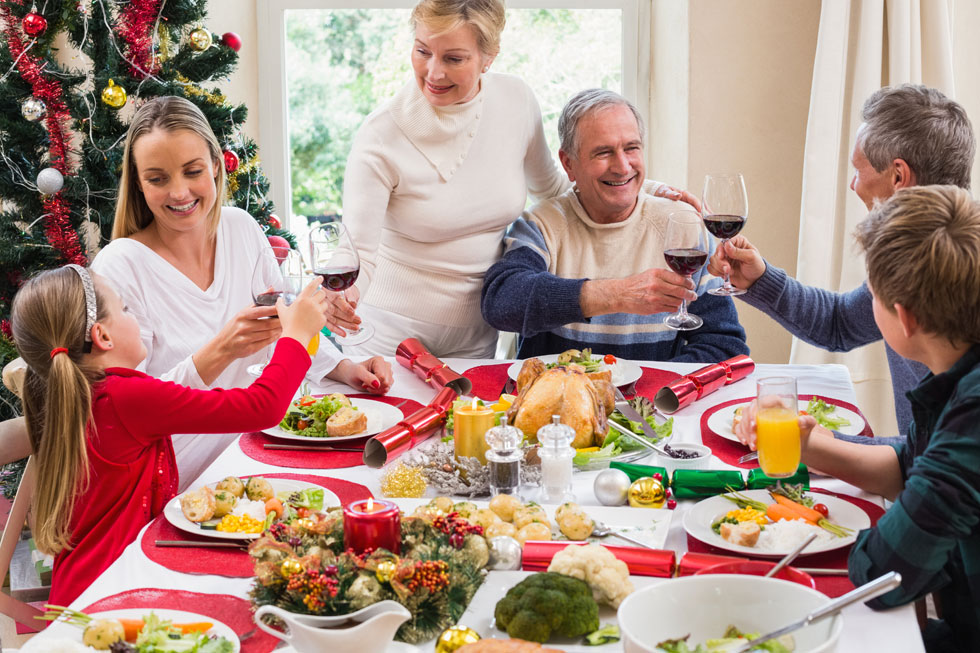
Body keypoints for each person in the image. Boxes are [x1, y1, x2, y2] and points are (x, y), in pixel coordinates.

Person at [334, 0, 690, 359]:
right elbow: (357, 252)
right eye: (422, 51)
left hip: (476, 334)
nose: (433, 72)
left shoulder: (515, 101)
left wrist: (643, 190)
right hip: (386, 333)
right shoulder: (381, 135)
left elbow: (555, 188)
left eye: (454, 59)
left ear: (488, 56)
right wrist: (339, 296)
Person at [91, 96, 393, 486]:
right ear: (138, 183)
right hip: (177, 475)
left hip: (258, 445)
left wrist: (344, 368)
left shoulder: (240, 228)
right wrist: (220, 351)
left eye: (192, 171)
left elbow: (286, 327)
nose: (179, 192)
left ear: (216, 165)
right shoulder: (121, 265)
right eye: (158, 178)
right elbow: (125, 409)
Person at [737, 186, 980, 652]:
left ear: (903, 319)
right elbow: (914, 467)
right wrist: (814, 445)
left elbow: (884, 573)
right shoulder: (956, 376)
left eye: (870, 293)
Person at [10, 264, 329, 605]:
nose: (134, 317)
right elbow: (261, 407)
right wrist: (295, 337)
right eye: (125, 309)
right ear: (103, 336)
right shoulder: (125, 398)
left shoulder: (77, 395)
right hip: (113, 593)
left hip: (82, 586)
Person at [709, 84, 975, 435]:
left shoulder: (947, 269)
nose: (854, 185)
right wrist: (761, 280)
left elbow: (929, 464)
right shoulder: (922, 254)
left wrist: (805, 439)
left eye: (859, 169)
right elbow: (841, 323)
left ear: (898, 176)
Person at [481, 89, 748, 362]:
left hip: (653, 403)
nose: (622, 167)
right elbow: (502, 302)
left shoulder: (683, 227)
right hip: (559, 401)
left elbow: (725, 347)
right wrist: (617, 294)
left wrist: (648, 391)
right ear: (568, 164)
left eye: (631, 148)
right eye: (603, 152)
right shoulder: (541, 225)